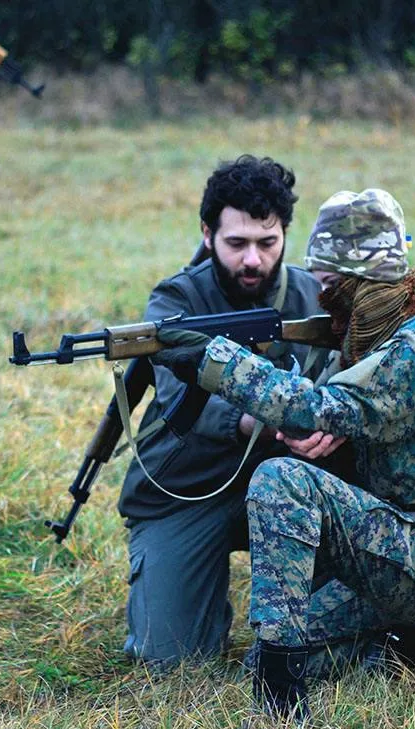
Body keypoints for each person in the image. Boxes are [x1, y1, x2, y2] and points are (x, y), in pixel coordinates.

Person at [151, 188, 415, 719]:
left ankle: (280, 702)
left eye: (328, 283)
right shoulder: (376, 331)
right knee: (268, 654)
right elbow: (343, 409)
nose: (319, 294)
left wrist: (216, 362)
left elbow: (318, 409)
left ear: (351, 279)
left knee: (281, 481)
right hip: (395, 542)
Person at [117, 155, 341, 667]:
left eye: (268, 242)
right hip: (188, 490)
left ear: (285, 234)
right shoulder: (176, 300)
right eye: (236, 243)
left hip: (295, 487)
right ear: (207, 234)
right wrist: (264, 416)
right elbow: (179, 399)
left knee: (339, 642)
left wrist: (334, 424)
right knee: (170, 661)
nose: (253, 260)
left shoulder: (317, 298)